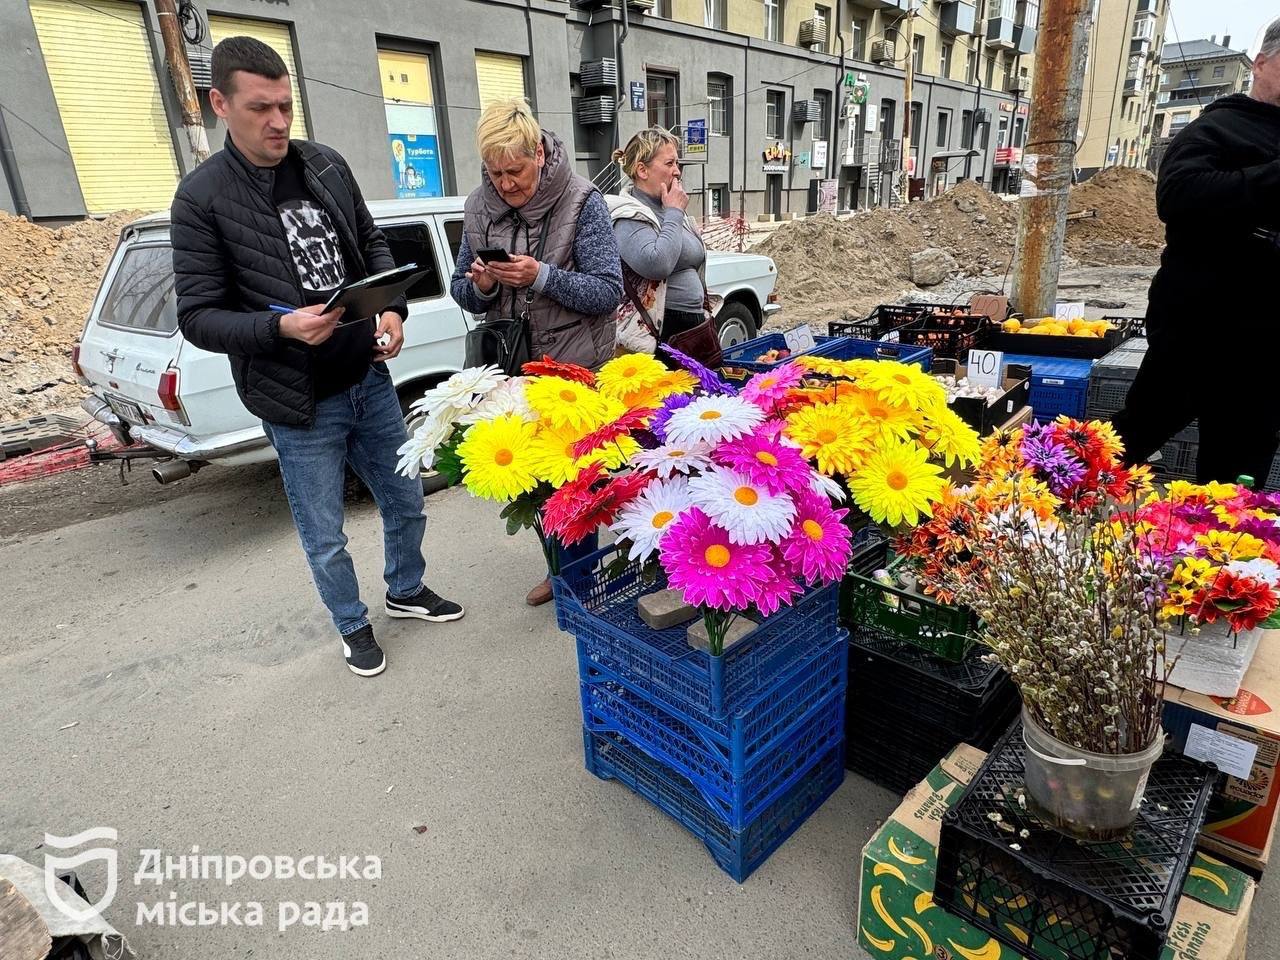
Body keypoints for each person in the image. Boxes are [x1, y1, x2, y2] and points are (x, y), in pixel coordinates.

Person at [171, 36, 462, 678]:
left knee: (407, 497)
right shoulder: (201, 198)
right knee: (325, 535)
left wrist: (393, 309)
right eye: (259, 108)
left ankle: (405, 589)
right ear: (220, 103)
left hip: (368, 377)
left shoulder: (325, 164)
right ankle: (353, 625)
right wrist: (280, 332)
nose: (277, 122)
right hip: (298, 402)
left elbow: (370, 244)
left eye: (285, 105)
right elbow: (197, 317)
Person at [450, 99, 623, 607]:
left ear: (540, 154)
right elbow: (460, 290)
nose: (505, 183)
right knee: (530, 480)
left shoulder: (582, 200)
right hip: (513, 367)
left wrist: (540, 276)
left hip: (575, 370)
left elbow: (607, 291)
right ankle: (557, 568)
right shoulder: (479, 207)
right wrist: (481, 286)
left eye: (515, 170)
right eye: (494, 172)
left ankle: (582, 577)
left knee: (575, 482)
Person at [1113, 19, 1280, 484]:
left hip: (1266, 341)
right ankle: (1032, 507)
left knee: (1240, 470)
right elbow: (1179, 195)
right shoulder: (1219, 127)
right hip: (1198, 323)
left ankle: (1218, 549)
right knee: (1137, 431)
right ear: (1261, 64)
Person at [609, 128, 709, 350]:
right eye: (669, 163)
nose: (677, 171)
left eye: (677, 164)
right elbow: (657, 264)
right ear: (642, 170)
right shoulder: (628, 214)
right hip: (660, 334)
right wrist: (674, 212)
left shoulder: (668, 205)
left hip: (690, 327)